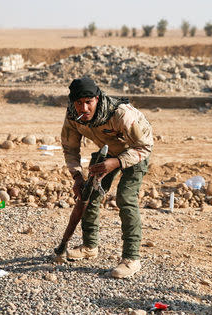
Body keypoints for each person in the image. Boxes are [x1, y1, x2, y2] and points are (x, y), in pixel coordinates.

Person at [61, 77, 153, 278]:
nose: (83, 108)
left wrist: (117, 162)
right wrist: (77, 176)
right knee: (89, 193)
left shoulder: (121, 114)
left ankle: (131, 259)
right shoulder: (72, 114)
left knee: (125, 199)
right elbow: (70, 148)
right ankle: (89, 246)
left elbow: (145, 146)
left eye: (88, 102)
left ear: (97, 99)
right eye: (78, 103)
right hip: (108, 152)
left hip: (134, 152)